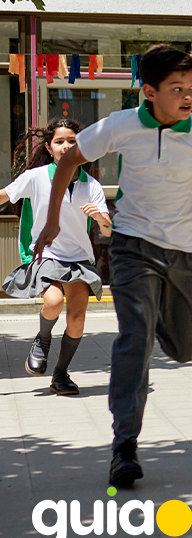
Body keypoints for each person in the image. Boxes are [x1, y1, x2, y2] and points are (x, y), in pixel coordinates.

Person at [34, 44, 192, 487]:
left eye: (191, 87)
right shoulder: (122, 124)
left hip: (187, 251)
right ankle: (123, 447)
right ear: (149, 91)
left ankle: (158, 324)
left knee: (185, 349)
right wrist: (54, 218)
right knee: (133, 341)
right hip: (133, 246)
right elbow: (69, 163)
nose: (187, 96)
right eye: (176, 89)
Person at [2, 119, 111, 395]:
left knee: (77, 317)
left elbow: (108, 229)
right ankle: (42, 339)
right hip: (47, 252)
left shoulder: (92, 185)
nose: (66, 146)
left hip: (79, 259)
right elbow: (5, 194)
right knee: (53, 301)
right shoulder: (36, 177)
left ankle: (61, 375)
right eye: (59, 141)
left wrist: (99, 217)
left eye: (72, 141)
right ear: (49, 148)